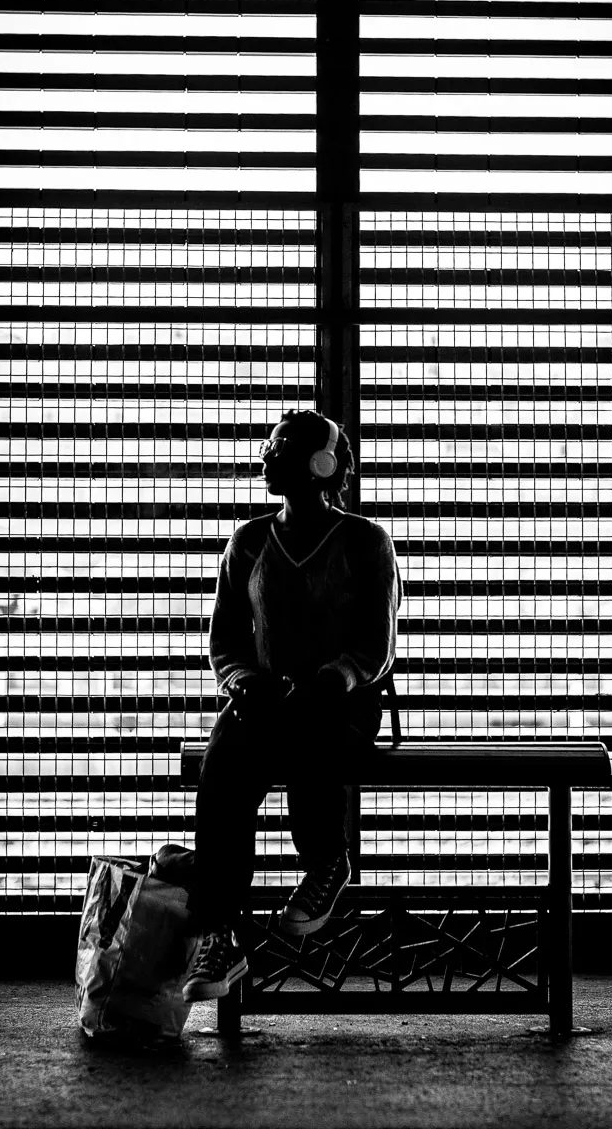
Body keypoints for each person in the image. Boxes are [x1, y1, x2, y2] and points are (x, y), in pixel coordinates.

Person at [182, 408, 402, 1002]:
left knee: (313, 728)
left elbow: (376, 643)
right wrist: (241, 680)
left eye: (280, 447)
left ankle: (327, 860)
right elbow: (226, 639)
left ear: (322, 464)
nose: (266, 456)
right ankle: (220, 934)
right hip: (269, 700)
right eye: (269, 445)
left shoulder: (364, 541)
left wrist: (337, 677)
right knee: (224, 762)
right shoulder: (250, 541)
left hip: (343, 703)